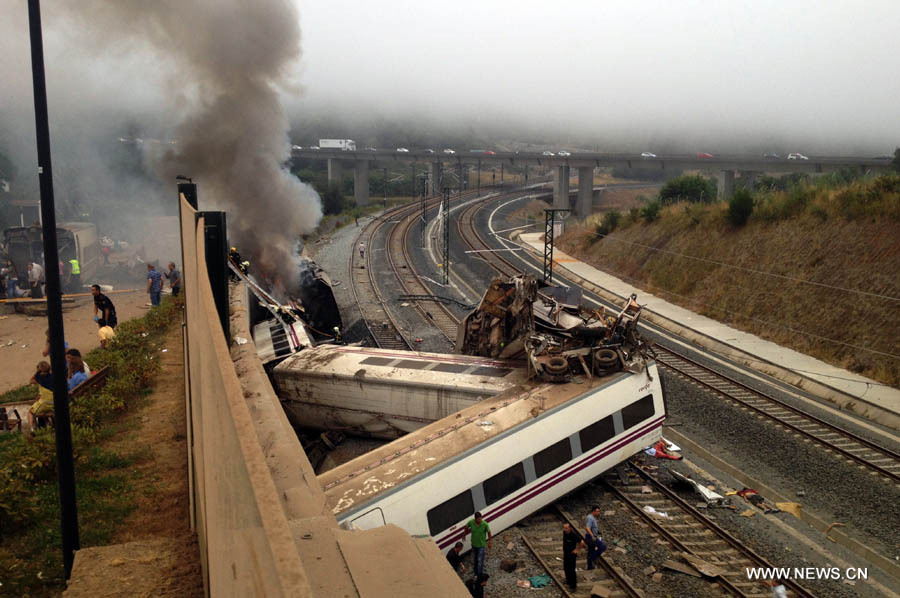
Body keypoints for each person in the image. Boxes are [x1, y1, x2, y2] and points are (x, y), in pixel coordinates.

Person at [464, 512, 492, 577]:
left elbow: (489, 532)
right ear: (475, 519)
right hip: (474, 544)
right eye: (478, 519)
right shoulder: (471, 522)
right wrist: (464, 535)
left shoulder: (485, 524)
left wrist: (490, 542)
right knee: (475, 558)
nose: (480, 520)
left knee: (480, 560)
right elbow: (466, 527)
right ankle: (475, 571)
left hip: (481, 545)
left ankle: (479, 574)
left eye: (481, 519)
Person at [28, 361, 54, 429]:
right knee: (41, 407)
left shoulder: (39, 377)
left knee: (30, 412)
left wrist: (37, 372)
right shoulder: (53, 377)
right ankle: (48, 424)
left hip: (46, 404)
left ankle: (32, 429)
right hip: (55, 404)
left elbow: (31, 381)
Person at [562, 522, 585, 591]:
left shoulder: (573, 534)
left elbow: (582, 542)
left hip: (571, 554)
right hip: (566, 553)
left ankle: (573, 586)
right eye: (564, 528)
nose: (565, 529)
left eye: (566, 528)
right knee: (566, 568)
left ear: (570, 528)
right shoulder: (564, 533)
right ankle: (568, 581)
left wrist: (577, 550)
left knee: (571, 570)